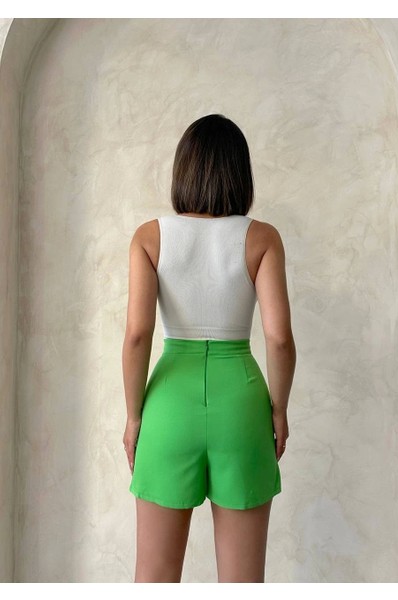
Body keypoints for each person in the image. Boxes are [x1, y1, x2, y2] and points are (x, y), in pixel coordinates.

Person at [121, 114, 296, 583]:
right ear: (240, 173)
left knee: (154, 577)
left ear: (184, 170)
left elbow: (137, 333)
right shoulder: (262, 238)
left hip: (168, 404)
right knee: (242, 582)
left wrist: (134, 417)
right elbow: (279, 338)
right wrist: (279, 411)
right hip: (241, 404)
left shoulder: (149, 237)